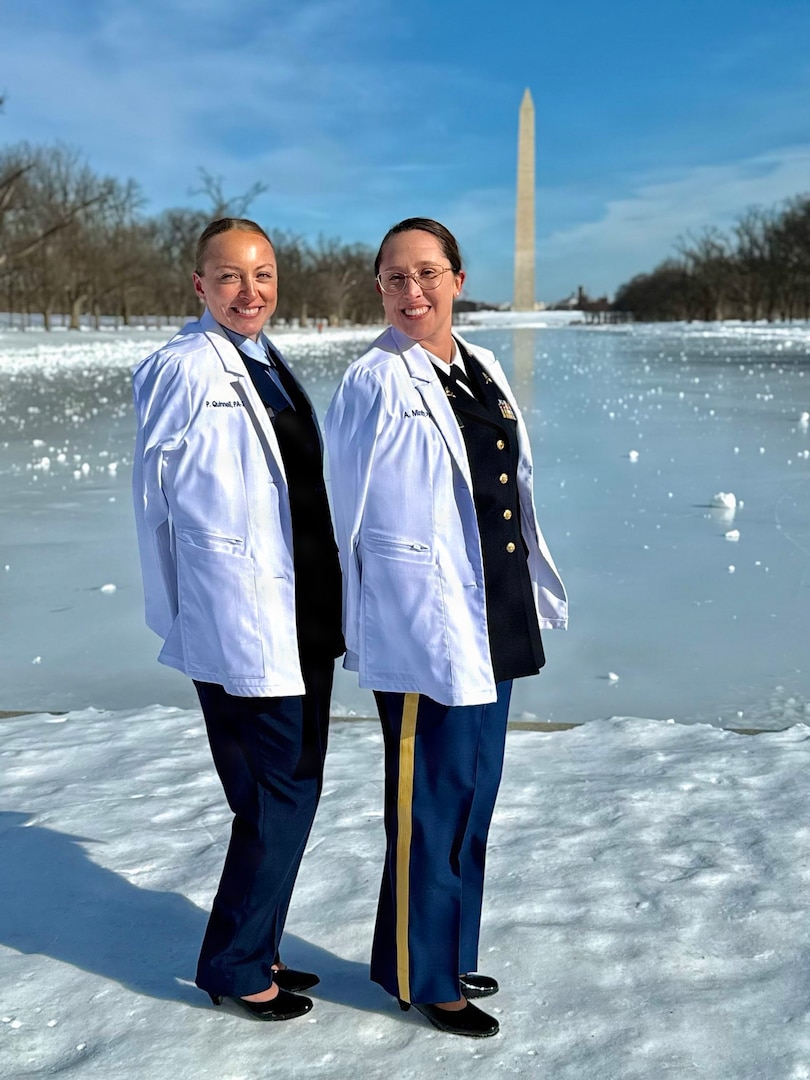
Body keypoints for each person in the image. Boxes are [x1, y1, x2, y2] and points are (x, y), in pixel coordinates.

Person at [324, 217, 567, 1038]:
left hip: (493, 610)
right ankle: (417, 974)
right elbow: (344, 515)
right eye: (394, 277)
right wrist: (366, 624)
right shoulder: (372, 380)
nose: (411, 291)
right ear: (381, 288)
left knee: (474, 795)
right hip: (424, 628)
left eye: (427, 273)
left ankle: (448, 945)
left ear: (458, 280)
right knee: (428, 802)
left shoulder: (480, 365)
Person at [132, 217, 343, 1022]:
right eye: (229, 277)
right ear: (199, 285)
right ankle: (233, 962)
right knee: (279, 794)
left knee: (283, 790)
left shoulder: (267, 361)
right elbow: (154, 507)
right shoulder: (182, 368)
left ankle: (260, 939)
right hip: (244, 618)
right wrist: (189, 612)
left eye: (262, 275)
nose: (248, 291)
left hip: (303, 612)